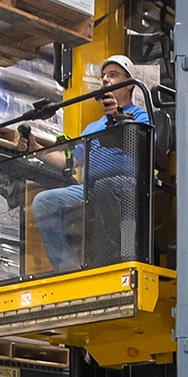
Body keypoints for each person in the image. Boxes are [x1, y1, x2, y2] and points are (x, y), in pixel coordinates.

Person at [20, 55, 150, 273]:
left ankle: (117, 259)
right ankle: (66, 266)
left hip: (128, 188)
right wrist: (36, 150)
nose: (105, 80)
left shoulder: (141, 118)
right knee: (43, 202)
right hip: (89, 190)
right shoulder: (92, 127)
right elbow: (68, 160)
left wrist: (119, 118)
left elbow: (145, 147)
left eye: (113, 75)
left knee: (106, 187)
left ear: (130, 86)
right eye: (103, 77)